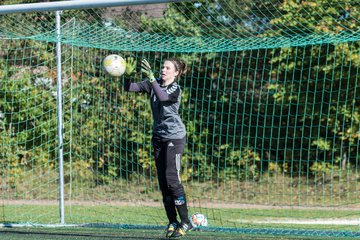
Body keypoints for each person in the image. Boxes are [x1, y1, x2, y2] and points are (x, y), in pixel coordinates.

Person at [124, 57, 192, 238]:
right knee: (163, 182)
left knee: (172, 178)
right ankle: (172, 221)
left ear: (176, 73)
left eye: (168, 68)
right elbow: (129, 88)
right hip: (158, 137)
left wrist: (153, 80)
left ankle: (186, 221)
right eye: (162, 67)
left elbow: (163, 98)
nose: (163, 70)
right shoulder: (152, 83)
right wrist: (126, 76)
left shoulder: (175, 88)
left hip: (174, 138)